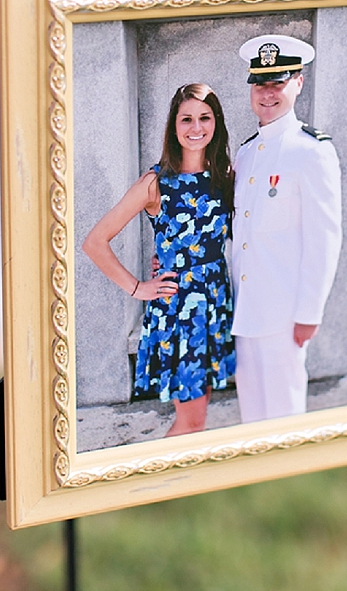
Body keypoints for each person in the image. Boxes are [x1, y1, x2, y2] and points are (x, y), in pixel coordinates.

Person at [82, 84, 235, 436]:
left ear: (216, 123)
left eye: (204, 118)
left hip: (216, 303)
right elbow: (95, 241)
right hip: (180, 310)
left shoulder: (224, 176)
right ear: (173, 126)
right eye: (187, 119)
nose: (196, 128)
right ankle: (157, 483)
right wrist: (137, 287)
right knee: (192, 420)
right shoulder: (156, 183)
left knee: (201, 408)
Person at [232, 35, 342, 423]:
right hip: (244, 311)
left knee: (283, 417)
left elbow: (324, 238)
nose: (267, 93)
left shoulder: (312, 151)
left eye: (277, 82)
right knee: (252, 415)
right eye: (260, 83)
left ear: (298, 82)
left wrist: (309, 312)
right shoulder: (245, 153)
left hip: (284, 315)